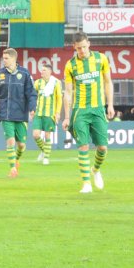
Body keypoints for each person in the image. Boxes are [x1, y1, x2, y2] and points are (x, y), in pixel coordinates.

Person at [61, 32, 115, 193]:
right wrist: (66, 117)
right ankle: (86, 184)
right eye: (79, 48)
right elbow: (68, 92)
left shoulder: (101, 59)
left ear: (89, 44)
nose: (82, 51)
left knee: (102, 148)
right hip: (80, 111)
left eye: (84, 47)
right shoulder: (70, 65)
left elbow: (108, 82)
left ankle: (96, 170)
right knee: (83, 146)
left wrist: (110, 105)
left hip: (98, 109)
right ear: (74, 47)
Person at [0, 48, 37, 178]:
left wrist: (32, 108)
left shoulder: (25, 74)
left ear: (14, 58)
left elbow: (31, 93)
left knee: (21, 145)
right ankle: (12, 168)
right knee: (10, 141)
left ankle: (16, 159)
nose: (4, 60)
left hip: (21, 114)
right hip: (5, 114)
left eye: (6, 58)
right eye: (3, 58)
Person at [32, 63, 62, 166]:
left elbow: (59, 98)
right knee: (36, 135)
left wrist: (57, 113)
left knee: (47, 135)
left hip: (50, 113)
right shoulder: (37, 83)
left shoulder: (56, 82)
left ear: (50, 71)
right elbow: (32, 96)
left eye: (44, 70)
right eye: (42, 70)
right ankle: (44, 150)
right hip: (38, 113)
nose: (42, 72)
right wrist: (32, 108)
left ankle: (46, 158)